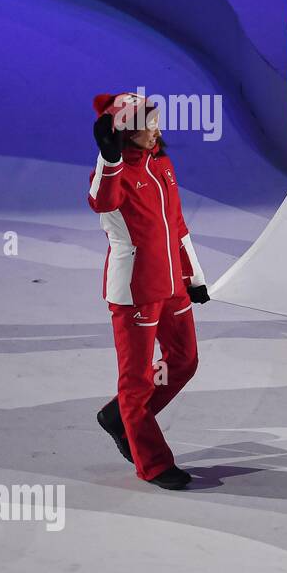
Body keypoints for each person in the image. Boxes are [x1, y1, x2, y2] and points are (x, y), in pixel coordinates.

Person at [88, 92, 209, 490]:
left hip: (173, 283)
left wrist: (195, 276)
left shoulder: (162, 163)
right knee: (136, 382)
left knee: (184, 362)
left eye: (157, 119)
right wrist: (108, 158)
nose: (156, 128)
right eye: (147, 123)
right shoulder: (113, 173)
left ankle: (120, 416)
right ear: (124, 132)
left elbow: (177, 225)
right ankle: (153, 463)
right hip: (135, 289)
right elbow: (100, 201)